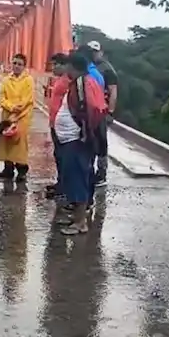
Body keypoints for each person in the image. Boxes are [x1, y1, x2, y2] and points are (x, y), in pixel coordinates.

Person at [49, 52, 107, 235]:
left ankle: (80, 222)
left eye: (68, 66)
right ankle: (76, 217)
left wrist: (83, 130)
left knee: (78, 178)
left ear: (73, 67)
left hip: (77, 140)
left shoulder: (82, 84)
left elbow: (91, 108)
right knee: (76, 176)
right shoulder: (86, 82)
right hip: (73, 139)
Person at [0, 53, 35, 182]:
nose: (17, 66)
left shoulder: (28, 80)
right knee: (6, 141)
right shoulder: (6, 80)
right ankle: (8, 169)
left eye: (20, 64)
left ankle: (22, 170)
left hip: (22, 117)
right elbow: (1, 98)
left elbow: (27, 99)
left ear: (24, 66)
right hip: (8, 115)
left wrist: (16, 110)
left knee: (19, 144)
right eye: (15, 63)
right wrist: (11, 107)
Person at [87, 41, 119, 188]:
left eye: (95, 51)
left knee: (101, 142)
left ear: (101, 52)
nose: (93, 54)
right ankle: (91, 171)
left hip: (102, 111)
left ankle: (101, 173)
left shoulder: (107, 69)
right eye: (91, 51)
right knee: (90, 140)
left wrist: (110, 112)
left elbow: (113, 92)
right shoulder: (87, 67)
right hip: (91, 111)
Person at [44, 52, 70, 199]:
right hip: (55, 123)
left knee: (63, 156)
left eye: (55, 65)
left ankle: (64, 187)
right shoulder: (61, 79)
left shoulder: (68, 81)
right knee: (58, 155)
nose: (52, 67)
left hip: (62, 125)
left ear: (64, 65)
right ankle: (60, 183)